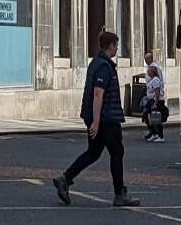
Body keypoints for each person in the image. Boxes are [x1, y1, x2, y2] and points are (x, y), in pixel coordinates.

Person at [53, 31, 139, 207]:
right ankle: (120, 193)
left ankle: (65, 178)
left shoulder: (96, 63)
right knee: (116, 153)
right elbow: (98, 94)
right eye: (116, 45)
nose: (117, 48)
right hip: (107, 117)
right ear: (110, 46)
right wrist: (96, 121)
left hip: (101, 116)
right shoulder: (104, 67)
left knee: (94, 152)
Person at [144, 64, 167, 142]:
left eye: (149, 72)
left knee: (157, 119)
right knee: (151, 119)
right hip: (151, 100)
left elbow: (157, 92)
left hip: (156, 101)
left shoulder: (156, 80)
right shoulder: (152, 80)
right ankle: (154, 134)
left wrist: (155, 103)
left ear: (152, 72)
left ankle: (160, 136)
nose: (148, 73)